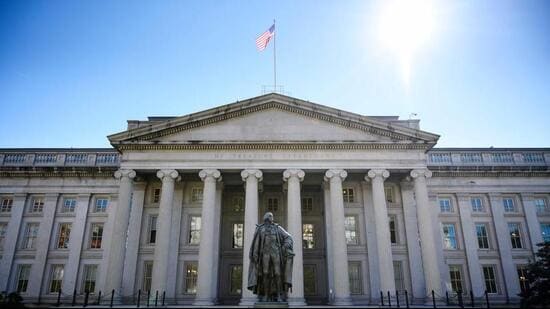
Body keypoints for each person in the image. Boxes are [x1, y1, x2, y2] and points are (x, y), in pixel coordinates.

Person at [247, 212, 294, 302]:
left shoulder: (277, 228)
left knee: (278, 273)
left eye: (272, 216)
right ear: (266, 218)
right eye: (270, 216)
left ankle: (279, 295)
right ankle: (266, 295)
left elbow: (289, 237)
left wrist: (284, 246)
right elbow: (256, 242)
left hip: (276, 253)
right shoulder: (260, 229)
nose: (272, 218)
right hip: (265, 254)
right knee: (265, 273)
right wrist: (255, 254)